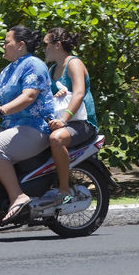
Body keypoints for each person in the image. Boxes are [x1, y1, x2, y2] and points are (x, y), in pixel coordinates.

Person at [0, 25, 54, 224]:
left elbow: (29, 95)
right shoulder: (9, 69)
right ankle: (1, 193)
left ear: (21, 45)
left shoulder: (34, 64)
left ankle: (18, 196)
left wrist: (4, 109)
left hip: (35, 127)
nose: (3, 45)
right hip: (12, 128)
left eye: (7, 42)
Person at [43, 27, 98, 204]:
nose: (44, 49)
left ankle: (64, 189)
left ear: (57, 45)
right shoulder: (52, 70)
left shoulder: (74, 63)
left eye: (46, 45)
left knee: (57, 139)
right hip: (62, 122)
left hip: (81, 123)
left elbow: (79, 93)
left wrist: (63, 120)